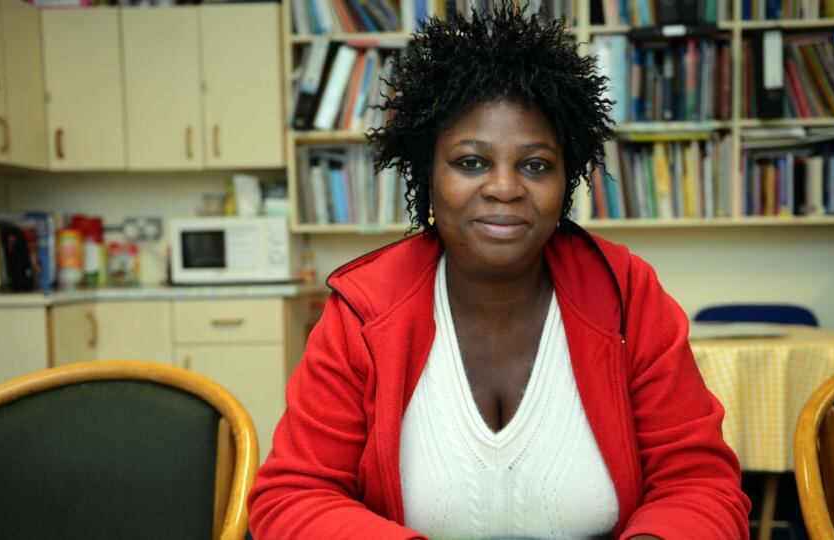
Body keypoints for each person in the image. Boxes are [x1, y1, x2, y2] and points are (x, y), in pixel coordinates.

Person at [248, 4, 751, 538]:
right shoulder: (364, 310)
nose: (505, 188)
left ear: (566, 180)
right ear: (426, 173)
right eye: (472, 162)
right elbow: (294, 497)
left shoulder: (627, 293)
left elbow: (700, 486)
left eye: (535, 165)